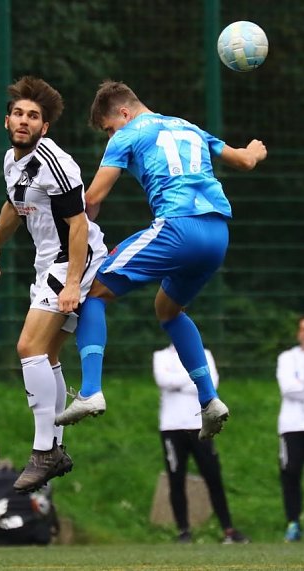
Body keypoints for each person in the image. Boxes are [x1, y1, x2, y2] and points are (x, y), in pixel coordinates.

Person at [56, 80, 267, 441]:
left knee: (92, 293)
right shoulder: (189, 127)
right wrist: (255, 150)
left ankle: (90, 391)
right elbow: (244, 161)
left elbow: (92, 198)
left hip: (177, 228)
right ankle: (209, 400)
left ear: (124, 113)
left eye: (108, 128)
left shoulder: (127, 135)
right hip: (218, 235)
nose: (110, 136)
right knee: (168, 310)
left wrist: (75, 235)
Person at [0, 76, 107, 493]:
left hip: (73, 260)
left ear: (44, 127)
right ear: (7, 121)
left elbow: (78, 225)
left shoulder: (55, 162)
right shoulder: (11, 161)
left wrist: (72, 283)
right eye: (18, 113)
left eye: (33, 116)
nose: (24, 121)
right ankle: (56, 446)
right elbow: (15, 206)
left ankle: (44, 450)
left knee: (28, 347)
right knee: (46, 354)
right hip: (49, 263)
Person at [153, 344, 249, 544]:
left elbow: (212, 383)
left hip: (200, 426)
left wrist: (178, 382)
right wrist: (195, 378)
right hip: (171, 426)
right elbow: (163, 381)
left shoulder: (204, 354)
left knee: (213, 476)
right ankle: (183, 531)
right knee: (176, 478)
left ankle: (228, 530)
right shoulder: (161, 356)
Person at [275, 315, 304, 542]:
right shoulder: (287, 358)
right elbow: (288, 388)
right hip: (292, 425)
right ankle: (293, 522)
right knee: (291, 473)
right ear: (298, 333)